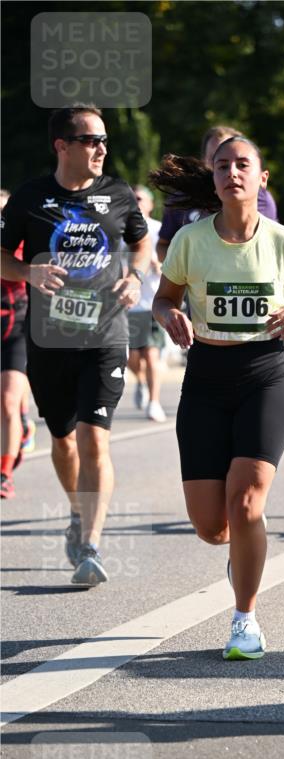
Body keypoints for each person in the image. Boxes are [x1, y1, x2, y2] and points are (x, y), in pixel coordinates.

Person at [151, 135, 284, 660]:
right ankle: (242, 549)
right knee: (213, 528)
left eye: (243, 165)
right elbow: (163, 299)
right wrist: (171, 316)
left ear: (262, 178)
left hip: (264, 376)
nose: (233, 172)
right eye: (223, 165)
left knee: (248, 499)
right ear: (212, 178)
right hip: (205, 378)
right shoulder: (191, 241)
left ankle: (245, 621)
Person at [0, 104, 151, 583]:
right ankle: (76, 514)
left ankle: (91, 544)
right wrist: (27, 271)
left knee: (93, 439)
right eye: (90, 140)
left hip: (106, 334)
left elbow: (142, 242)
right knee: (63, 441)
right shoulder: (29, 198)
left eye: (104, 140)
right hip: (48, 338)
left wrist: (136, 275)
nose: (101, 148)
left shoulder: (118, 194)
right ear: (61, 146)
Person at [156, 123, 278, 263]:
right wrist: (184, 269)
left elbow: (268, 246)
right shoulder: (182, 198)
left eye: (240, 164)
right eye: (220, 161)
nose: (231, 172)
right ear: (204, 160)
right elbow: (163, 245)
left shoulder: (259, 198)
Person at [1, 189, 36, 499]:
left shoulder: (18, 240)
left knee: (9, 400)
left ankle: (4, 472)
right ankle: (22, 424)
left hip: (17, 324)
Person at [125, 185, 167, 422]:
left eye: (141, 199)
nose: (137, 202)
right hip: (130, 304)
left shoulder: (159, 230)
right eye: (133, 199)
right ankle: (140, 380)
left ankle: (154, 402)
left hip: (153, 302)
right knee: (131, 357)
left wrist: (156, 264)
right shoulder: (123, 229)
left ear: (150, 205)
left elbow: (169, 266)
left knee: (151, 354)